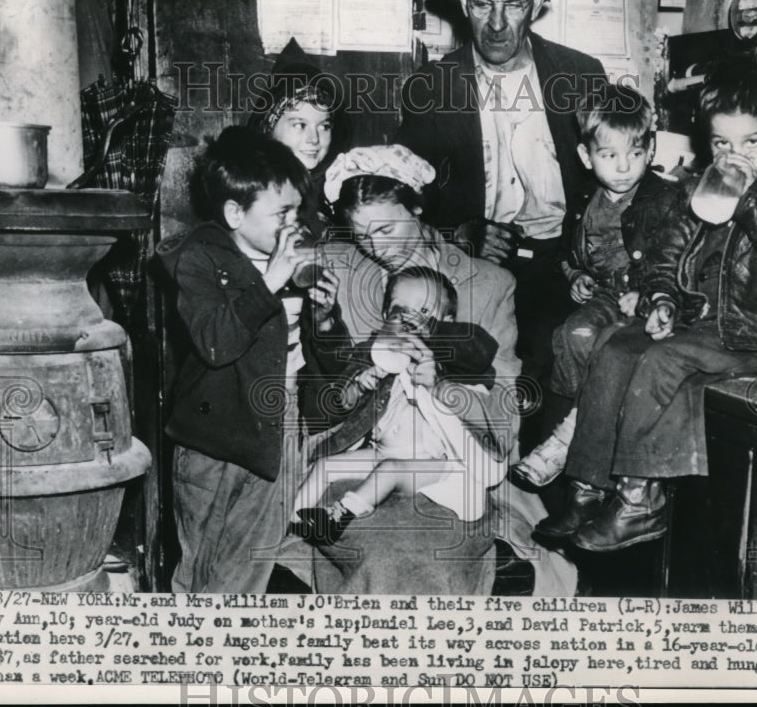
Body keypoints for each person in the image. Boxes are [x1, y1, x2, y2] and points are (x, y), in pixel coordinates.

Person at [543, 49, 757, 552]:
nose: (734, 155)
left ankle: (639, 502)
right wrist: (663, 299)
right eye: (721, 142)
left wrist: (748, 195)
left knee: (661, 358)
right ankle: (588, 487)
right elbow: (665, 257)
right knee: (613, 349)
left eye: (751, 142)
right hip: (698, 326)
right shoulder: (693, 189)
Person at [304, 144, 578, 595]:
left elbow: (504, 419)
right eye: (362, 235)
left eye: (388, 229)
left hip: (460, 466)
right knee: (383, 550)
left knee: (432, 554)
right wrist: (324, 329)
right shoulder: (339, 272)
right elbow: (322, 403)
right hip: (357, 462)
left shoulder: (487, 283)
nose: (377, 248)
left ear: (417, 205)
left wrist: (443, 391)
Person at [395, 0, 607, 397]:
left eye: (512, 5)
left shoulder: (581, 75)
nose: (496, 23)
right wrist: (459, 232)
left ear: (534, 2)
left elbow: (612, 178)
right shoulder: (432, 87)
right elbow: (406, 199)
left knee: (565, 362)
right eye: (482, 3)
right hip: (477, 265)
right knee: (472, 371)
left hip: (565, 264)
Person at [157, 126, 342, 592]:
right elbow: (217, 344)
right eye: (282, 213)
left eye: (298, 209)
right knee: (202, 570)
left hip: (280, 426)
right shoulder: (199, 259)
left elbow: (320, 357)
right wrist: (270, 281)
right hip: (215, 437)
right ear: (235, 213)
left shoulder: (295, 260)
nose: (295, 223)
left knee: (250, 567)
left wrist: (324, 319)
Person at [510, 84, 678, 491]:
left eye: (635, 154)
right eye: (609, 155)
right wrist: (575, 276)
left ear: (650, 152)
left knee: (606, 348)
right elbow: (570, 252)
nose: (624, 167)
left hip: (648, 302)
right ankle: (576, 419)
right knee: (571, 335)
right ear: (587, 157)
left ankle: (571, 438)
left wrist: (648, 291)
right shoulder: (585, 198)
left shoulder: (663, 199)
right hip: (605, 294)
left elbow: (676, 258)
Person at [291, 266, 504, 546]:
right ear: (384, 316)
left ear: (448, 321)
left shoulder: (452, 358)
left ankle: (340, 515)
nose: (408, 319)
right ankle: (295, 520)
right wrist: (360, 385)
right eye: (398, 310)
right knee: (326, 465)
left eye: (425, 312)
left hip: (434, 464)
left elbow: (481, 350)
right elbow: (340, 395)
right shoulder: (377, 351)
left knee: (390, 470)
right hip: (381, 451)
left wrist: (434, 345)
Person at [249, 37, 351, 235]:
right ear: (269, 127)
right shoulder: (252, 189)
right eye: (299, 125)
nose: (313, 139)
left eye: (324, 126)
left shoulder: (339, 184)